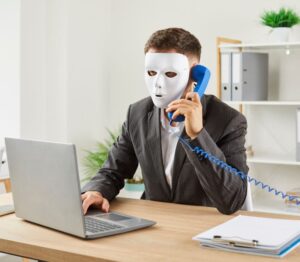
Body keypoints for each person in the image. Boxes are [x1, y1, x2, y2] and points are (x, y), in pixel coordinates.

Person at [81, 28, 248, 215]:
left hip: (203, 228)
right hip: (154, 225)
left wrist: (197, 136)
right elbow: (113, 171)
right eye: (151, 72)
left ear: (196, 74)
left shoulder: (229, 121)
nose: (158, 84)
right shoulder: (137, 114)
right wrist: (96, 191)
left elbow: (232, 201)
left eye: (169, 74)